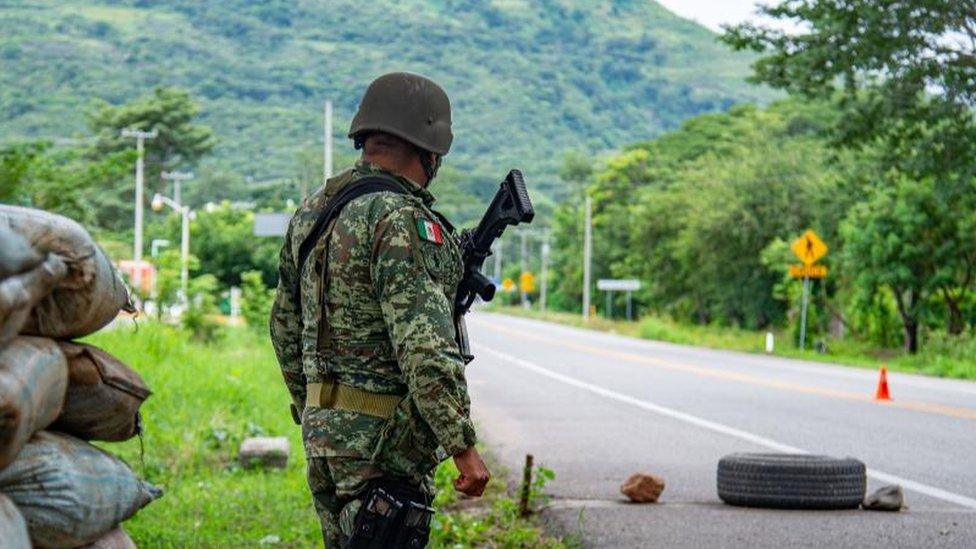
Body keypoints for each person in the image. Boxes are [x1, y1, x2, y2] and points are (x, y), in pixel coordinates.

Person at [270, 72, 489, 547]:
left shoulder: (312, 211)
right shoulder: (400, 218)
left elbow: (285, 326)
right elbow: (425, 346)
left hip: (323, 438)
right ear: (430, 150)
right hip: (383, 446)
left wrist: (311, 406)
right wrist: (463, 447)